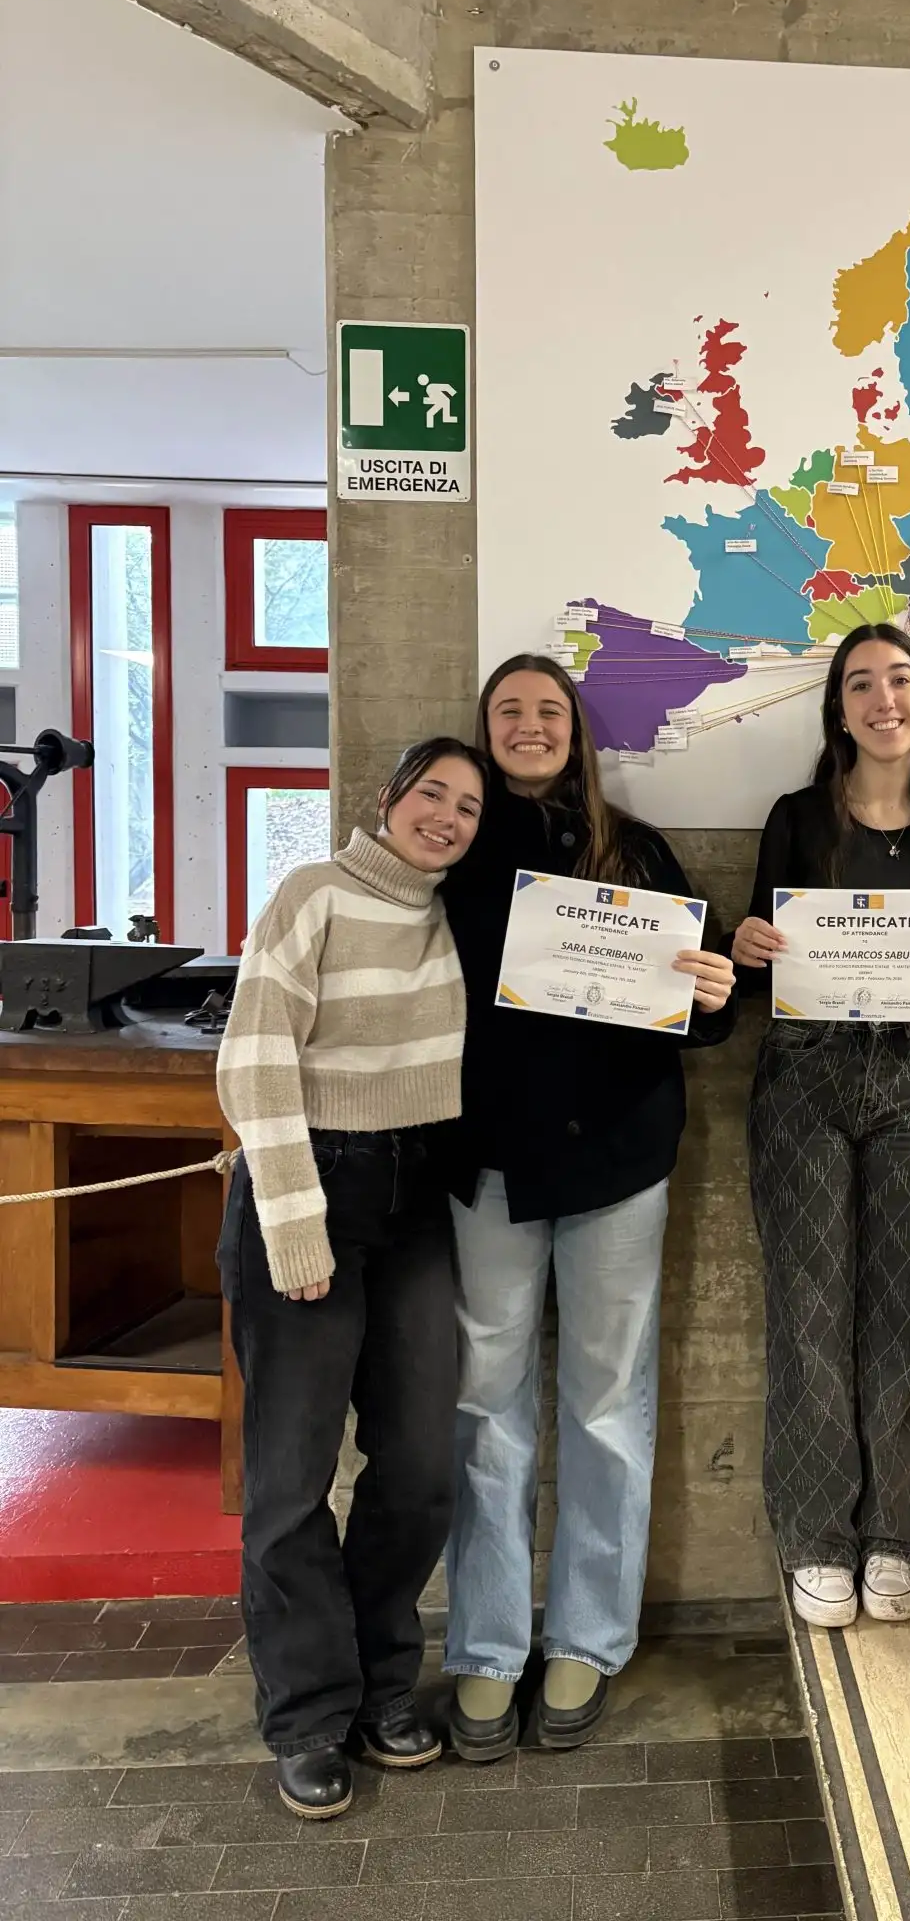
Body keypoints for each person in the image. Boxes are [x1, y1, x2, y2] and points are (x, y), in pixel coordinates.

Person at [439, 652, 737, 1760]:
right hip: (489, 1164)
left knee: (609, 1400)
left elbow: (702, 1007)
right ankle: (484, 1643)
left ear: (578, 731)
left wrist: (715, 993)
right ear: (484, 729)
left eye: (548, 710)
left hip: (617, 1160)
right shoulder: (452, 843)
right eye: (508, 710)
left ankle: (588, 1637)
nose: (529, 725)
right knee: (486, 1402)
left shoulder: (638, 849)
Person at [216, 738, 487, 1819]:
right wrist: (293, 1224)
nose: (447, 817)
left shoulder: (458, 918)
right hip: (310, 1183)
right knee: (291, 1476)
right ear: (388, 798)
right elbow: (253, 1060)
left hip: (416, 1198)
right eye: (432, 794)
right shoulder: (312, 892)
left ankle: (381, 1684)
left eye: (468, 807)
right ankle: (308, 1713)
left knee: (418, 1464)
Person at [732, 623, 910, 1629]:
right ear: (839, 709)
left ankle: (896, 1529)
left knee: (903, 1304)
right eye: (860, 684)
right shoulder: (797, 817)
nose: (882, 699)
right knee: (808, 1309)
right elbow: (757, 974)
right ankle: (817, 1533)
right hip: (803, 1075)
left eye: (899, 680)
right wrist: (749, 945)